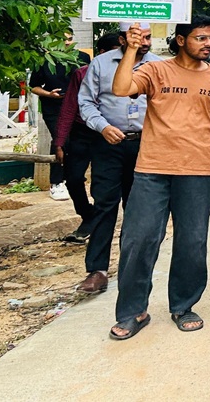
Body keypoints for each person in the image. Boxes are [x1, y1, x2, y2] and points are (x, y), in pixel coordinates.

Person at [108, 16, 210, 341]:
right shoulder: (155, 70)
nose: (209, 44)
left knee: (192, 243)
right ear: (180, 40)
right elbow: (121, 89)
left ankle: (183, 305)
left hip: (199, 171)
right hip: (152, 170)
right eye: (201, 38)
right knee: (138, 241)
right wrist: (131, 49)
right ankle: (133, 311)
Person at [75, 23, 163, 295]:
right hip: (108, 144)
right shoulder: (101, 64)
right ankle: (97, 270)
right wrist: (103, 127)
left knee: (138, 209)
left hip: (146, 145)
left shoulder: (160, 66)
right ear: (123, 39)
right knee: (105, 204)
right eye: (137, 37)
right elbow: (86, 102)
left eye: (147, 37)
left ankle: (131, 268)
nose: (144, 42)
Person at [54, 33, 119, 243]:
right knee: (73, 178)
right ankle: (87, 215)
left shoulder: (128, 74)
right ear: (101, 53)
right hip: (82, 132)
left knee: (102, 184)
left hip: (108, 133)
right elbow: (69, 107)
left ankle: (97, 224)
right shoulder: (82, 74)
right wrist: (59, 142)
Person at [29, 32, 90, 201]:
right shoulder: (44, 60)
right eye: (62, 39)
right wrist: (49, 94)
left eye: (69, 39)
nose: (66, 43)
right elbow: (33, 86)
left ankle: (74, 178)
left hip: (79, 107)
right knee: (61, 140)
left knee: (78, 141)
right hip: (54, 107)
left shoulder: (83, 57)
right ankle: (56, 182)